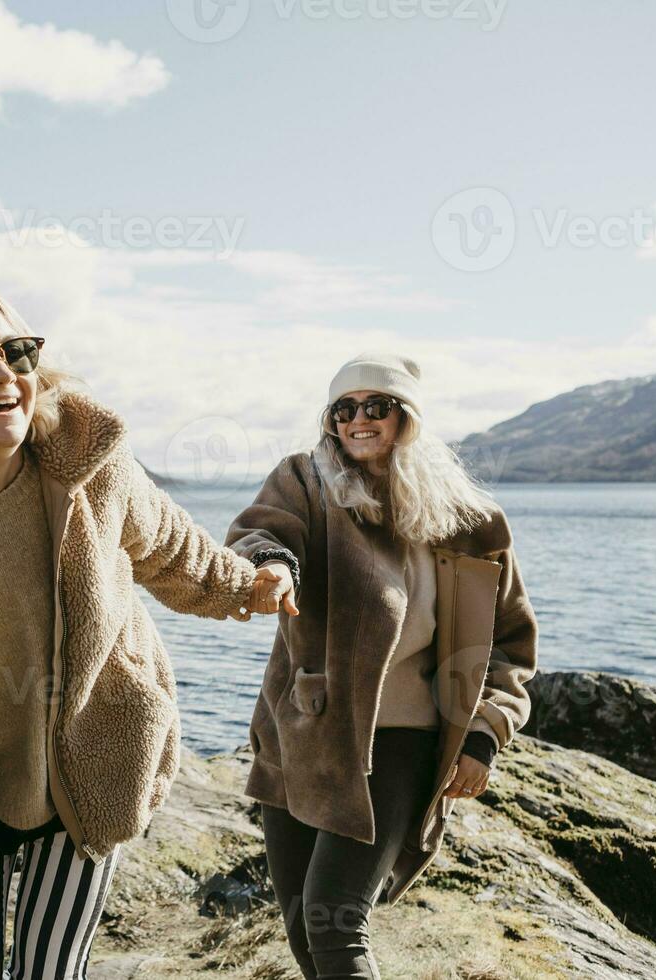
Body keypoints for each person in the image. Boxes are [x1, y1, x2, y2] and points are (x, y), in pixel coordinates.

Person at [0, 278, 297, 979]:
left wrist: (251, 583)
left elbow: (174, 551)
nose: (4, 372)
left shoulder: (91, 470)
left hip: (93, 769)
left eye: (18, 351)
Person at [224, 352, 539, 980]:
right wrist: (273, 566)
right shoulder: (306, 481)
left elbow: (511, 646)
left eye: (377, 407)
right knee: (302, 927)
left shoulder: (471, 523)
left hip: (404, 743)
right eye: (344, 409)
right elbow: (263, 532)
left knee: (335, 917)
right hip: (304, 733)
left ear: (408, 418)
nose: (358, 420)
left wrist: (484, 735)